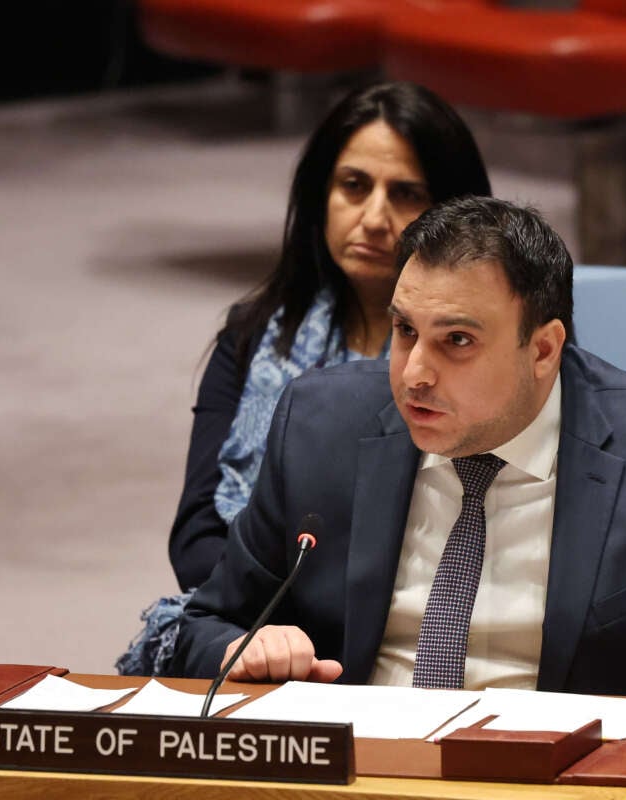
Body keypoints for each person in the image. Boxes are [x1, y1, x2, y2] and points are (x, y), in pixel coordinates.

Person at [170, 196, 626, 711]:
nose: (414, 371)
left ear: (543, 349)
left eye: (457, 342)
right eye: (404, 330)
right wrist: (242, 651)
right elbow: (206, 622)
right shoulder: (321, 423)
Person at [117, 82, 491, 676]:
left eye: (407, 193)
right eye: (353, 186)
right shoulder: (252, 336)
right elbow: (196, 539)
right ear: (319, 193)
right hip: (272, 630)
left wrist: (335, 611)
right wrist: (278, 624)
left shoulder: (494, 353)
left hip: (430, 624)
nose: (373, 218)